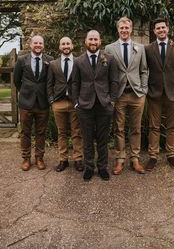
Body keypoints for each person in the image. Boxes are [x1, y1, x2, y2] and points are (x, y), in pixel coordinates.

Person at [72, 30, 118, 181]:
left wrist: (112, 100)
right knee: (87, 138)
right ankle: (89, 167)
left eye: (95, 39)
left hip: (104, 104)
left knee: (103, 139)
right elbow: (75, 83)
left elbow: (114, 81)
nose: (93, 42)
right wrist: (76, 102)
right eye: (90, 39)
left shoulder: (109, 59)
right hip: (85, 105)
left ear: (100, 41)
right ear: (85, 41)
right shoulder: (78, 61)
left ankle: (103, 167)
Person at [105, 17, 148, 175]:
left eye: (127, 28)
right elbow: (107, 72)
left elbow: (144, 70)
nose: (124, 30)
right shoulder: (109, 48)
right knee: (119, 128)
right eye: (121, 28)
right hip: (119, 94)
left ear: (131, 30)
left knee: (136, 128)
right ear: (118, 29)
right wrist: (111, 95)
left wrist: (143, 90)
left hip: (137, 94)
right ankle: (120, 159)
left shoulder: (140, 48)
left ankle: (135, 159)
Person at [145, 17, 174, 171]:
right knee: (154, 126)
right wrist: (147, 89)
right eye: (158, 28)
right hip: (154, 94)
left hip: (173, 94)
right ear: (154, 31)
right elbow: (144, 71)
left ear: (167, 29)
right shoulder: (148, 49)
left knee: (172, 126)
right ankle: (153, 156)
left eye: (163, 27)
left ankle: (171, 155)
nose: (161, 30)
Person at [13, 35, 53, 171]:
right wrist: (25, 92)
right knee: (25, 132)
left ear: (43, 45)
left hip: (43, 102)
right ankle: (25, 158)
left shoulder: (50, 60)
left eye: (40, 43)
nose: (38, 45)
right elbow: (16, 80)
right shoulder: (22, 60)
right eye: (35, 43)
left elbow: (50, 81)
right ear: (30, 44)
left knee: (41, 132)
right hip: (26, 102)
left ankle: (39, 158)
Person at [47, 37, 83, 172]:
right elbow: (49, 84)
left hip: (75, 103)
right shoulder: (53, 64)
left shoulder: (79, 62)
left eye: (68, 43)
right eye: (63, 44)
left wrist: (80, 100)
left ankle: (78, 159)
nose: (66, 46)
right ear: (59, 46)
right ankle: (63, 160)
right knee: (61, 133)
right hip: (59, 102)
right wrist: (51, 100)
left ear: (72, 46)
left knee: (76, 132)